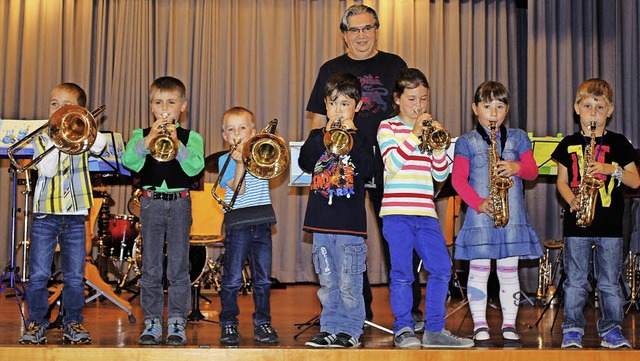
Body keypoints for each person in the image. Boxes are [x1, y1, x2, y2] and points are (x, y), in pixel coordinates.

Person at [306, 3, 423, 327]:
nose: (361, 35)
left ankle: (411, 311)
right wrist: (320, 158)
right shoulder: (330, 67)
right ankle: (359, 310)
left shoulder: (394, 64)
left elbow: (411, 105)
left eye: (367, 28)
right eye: (354, 29)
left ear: (376, 29)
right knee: (348, 239)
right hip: (345, 168)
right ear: (344, 34)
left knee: (398, 239)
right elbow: (317, 117)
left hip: (392, 164)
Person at [377, 68, 473, 348]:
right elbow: (392, 165)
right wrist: (415, 135)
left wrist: (440, 148)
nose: (418, 105)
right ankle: (403, 328)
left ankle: (434, 331)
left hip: (426, 211)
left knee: (442, 268)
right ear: (397, 99)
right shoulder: (388, 127)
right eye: (411, 99)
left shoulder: (430, 132)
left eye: (423, 98)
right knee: (403, 273)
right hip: (396, 213)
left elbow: (441, 176)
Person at [451, 80, 542, 346]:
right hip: (480, 217)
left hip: (511, 219)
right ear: (474, 108)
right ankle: (480, 325)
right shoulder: (467, 141)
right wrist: (478, 203)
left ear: (507, 109)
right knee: (478, 271)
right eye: (487, 106)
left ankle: (509, 325)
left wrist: (515, 167)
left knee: (508, 272)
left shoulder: (518, 137)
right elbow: (458, 180)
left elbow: (532, 171)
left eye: (500, 106)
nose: (493, 112)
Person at [551, 78, 640, 349]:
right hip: (577, 223)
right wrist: (571, 200)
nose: (593, 113)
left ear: (610, 110)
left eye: (599, 107)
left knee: (610, 283)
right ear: (576, 108)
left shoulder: (619, 143)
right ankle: (572, 328)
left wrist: (609, 168)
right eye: (587, 106)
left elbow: (635, 181)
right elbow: (561, 182)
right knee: (575, 281)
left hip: (611, 225)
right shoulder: (568, 143)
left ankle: (612, 329)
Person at [19, 82, 107, 345]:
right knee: (38, 274)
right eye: (54, 104)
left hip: (75, 214)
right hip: (45, 214)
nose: (58, 109)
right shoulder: (42, 136)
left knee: (74, 275)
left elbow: (100, 146)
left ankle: (73, 321)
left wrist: (85, 126)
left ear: (80, 110)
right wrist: (58, 138)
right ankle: (37, 323)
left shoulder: (86, 135)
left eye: (66, 105)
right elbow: (45, 170)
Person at [122, 76, 204, 346]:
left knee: (179, 267)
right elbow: (130, 162)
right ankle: (153, 321)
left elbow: (194, 168)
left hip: (180, 202)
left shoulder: (191, 138)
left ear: (183, 106)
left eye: (171, 102)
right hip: (150, 203)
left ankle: (178, 320)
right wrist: (149, 139)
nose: (164, 108)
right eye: (158, 103)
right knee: (151, 267)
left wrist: (176, 144)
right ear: (151, 107)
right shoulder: (140, 134)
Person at [299, 73, 374, 348]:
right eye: (333, 104)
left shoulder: (363, 139)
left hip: (350, 226)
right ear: (326, 107)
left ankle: (350, 329)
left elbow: (367, 169)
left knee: (349, 283)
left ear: (358, 106)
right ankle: (329, 327)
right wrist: (325, 136)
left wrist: (350, 139)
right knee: (328, 282)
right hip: (321, 224)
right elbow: (306, 162)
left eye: (345, 104)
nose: (339, 110)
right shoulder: (316, 137)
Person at [217, 106, 279, 346]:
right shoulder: (225, 160)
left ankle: (263, 322)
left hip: (262, 222)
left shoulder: (262, 153)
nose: (237, 134)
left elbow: (277, 160)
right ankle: (229, 324)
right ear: (224, 135)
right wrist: (240, 161)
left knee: (262, 279)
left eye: (243, 128)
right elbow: (239, 189)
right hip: (238, 224)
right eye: (231, 129)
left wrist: (264, 144)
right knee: (232, 278)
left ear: (253, 131)